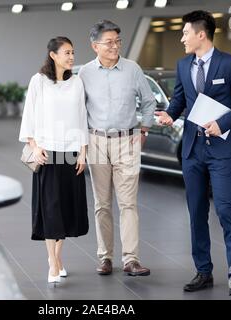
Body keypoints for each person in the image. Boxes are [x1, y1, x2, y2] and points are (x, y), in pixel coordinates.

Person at [157, 10, 231, 296]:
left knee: (226, 210)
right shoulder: (182, 65)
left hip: (222, 150)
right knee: (196, 212)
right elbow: (180, 99)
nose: (182, 38)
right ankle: (203, 272)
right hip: (191, 150)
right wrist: (169, 114)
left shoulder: (230, 64)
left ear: (201, 34)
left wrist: (222, 123)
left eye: (185, 33)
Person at [79, 20, 156, 277]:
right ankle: (105, 257)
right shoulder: (85, 74)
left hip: (127, 141)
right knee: (102, 204)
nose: (115, 46)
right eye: (109, 42)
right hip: (96, 141)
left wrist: (144, 129)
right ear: (95, 46)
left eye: (117, 41)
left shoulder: (133, 69)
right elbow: (79, 110)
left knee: (128, 204)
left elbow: (148, 102)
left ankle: (131, 259)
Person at [19, 37, 89, 284]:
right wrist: (33, 145)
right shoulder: (38, 81)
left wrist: (83, 151)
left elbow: (82, 118)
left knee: (67, 208)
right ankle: (52, 262)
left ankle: (56, 258)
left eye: (73, 52)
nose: (71, 57)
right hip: (46, 153)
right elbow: (29, 115)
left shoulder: (77, 82)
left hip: (71, 154)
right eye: (67, 52)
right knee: (50, 210)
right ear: (53, 55)